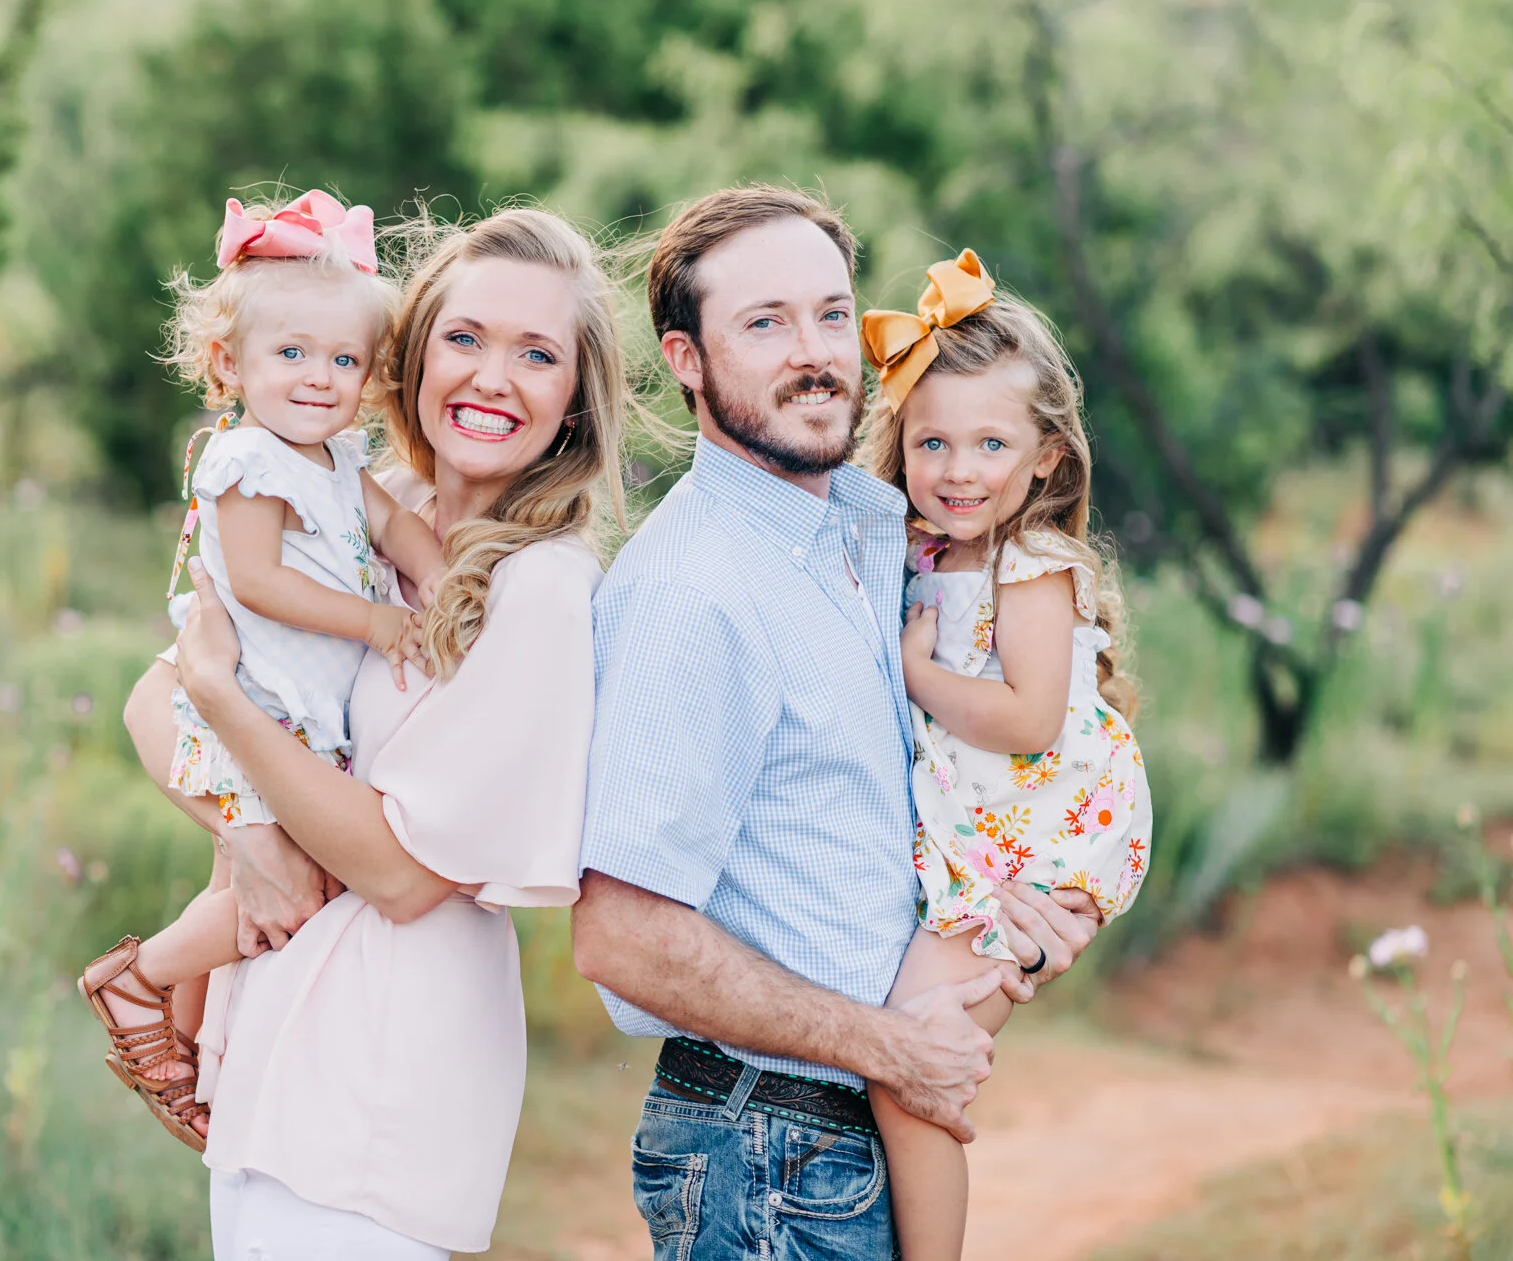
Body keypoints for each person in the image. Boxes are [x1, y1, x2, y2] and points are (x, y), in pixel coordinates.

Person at [570, 185, 1105, 1258]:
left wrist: (1015, 942)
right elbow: (621, 933)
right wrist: (891, 1046)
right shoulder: (697, 588)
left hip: (847, 1137)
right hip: (764, 1146)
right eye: (763, 323)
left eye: (829, 312)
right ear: (685, 358)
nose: (813, 351)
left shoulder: (869, 531)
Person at [100, 206, 632, 1258]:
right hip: (269, 1044)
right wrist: (249, 835)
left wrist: (228, 707)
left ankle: (144, 975)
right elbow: (157, 696)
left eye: (537, 353)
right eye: (466, 338)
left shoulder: (542, 588)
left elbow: (401, 874)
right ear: (414, 350)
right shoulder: (352, 501)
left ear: (574, 399)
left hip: (383, 1070)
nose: (492, 376)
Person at [79, 190, 449, 1149]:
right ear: (228, 364)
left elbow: (398, 524)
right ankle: (140, 982)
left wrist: (452, 579)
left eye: (342, 360)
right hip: (251, 703)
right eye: (291, 354)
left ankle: (185, 1058)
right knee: (291, 879)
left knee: (238, 883)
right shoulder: (247, 460)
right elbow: (258, 580)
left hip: (293, 713)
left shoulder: (334, 458)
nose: (319, 378)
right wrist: (374, 620)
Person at [859, 248, 1152, 1259]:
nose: (958, 469)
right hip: (984, 839)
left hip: (1036, 850)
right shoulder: (926, 552)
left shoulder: (1034, 564)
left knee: (911, 1069)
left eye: (990, 442)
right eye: (932, 441)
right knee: (905, 1063)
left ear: (1046, 460)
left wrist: (913, 672)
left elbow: (1027, 718)